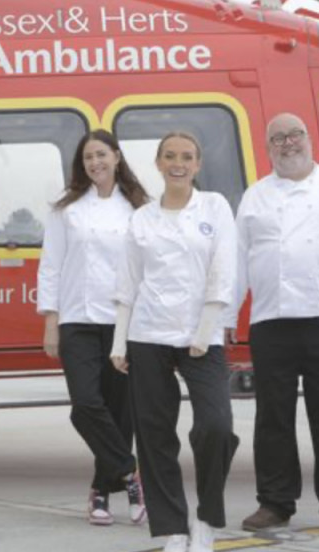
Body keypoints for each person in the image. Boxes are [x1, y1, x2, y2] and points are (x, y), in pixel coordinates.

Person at [111, 131, 240, 552]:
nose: (178, 163)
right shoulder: (142, 218)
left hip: (201, 337)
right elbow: (128, 283)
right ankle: (174, 528)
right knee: (153, 433)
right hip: (147, 334)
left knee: (216, 427)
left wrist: (206, 330)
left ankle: (207, 518)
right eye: (170, 156)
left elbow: (223, 269)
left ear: (198, 164)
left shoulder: (215, 206)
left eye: (186, 156)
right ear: (159, 163)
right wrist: (119, 342)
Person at [225, 113, 319, 534]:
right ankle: (275, 503)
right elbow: (239, 261)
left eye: (295, 134)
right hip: (271, 321)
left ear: (309, 138)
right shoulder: (255, 197)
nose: (288, 143)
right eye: (278, 138)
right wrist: (226, 315)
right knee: (273, 417)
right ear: (268, 148)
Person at [37, 130, 149, 526]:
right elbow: (50, 265)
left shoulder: (139, 207)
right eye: (88, 157)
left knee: (121, 414)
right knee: (85, 404)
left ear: (117, 157)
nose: (95, 163)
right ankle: (131, 473)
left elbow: (148, 269)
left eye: (101, 154)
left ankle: (102, 492)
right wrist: (50, 321)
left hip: (123, 322)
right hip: (77, 319)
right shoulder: (66, 209)